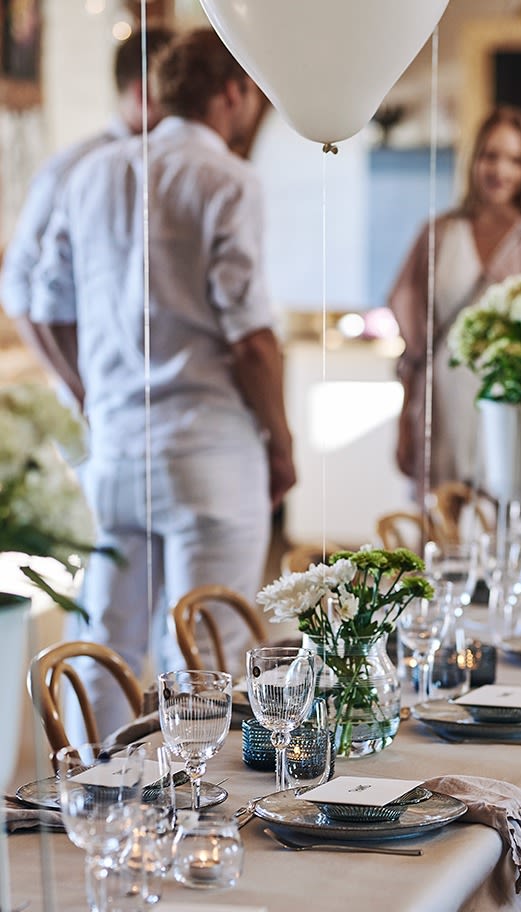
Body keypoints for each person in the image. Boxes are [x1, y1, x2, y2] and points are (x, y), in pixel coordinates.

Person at [31, 28, 295, 738]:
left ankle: (99, 805)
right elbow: (252, 341)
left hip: (116, 448)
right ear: (232, 94)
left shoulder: (93, 172)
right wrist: (282, 443)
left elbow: (44, 304)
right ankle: (203, 827)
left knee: (105, 647)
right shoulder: (228, 178)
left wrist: (90, 391)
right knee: (211, 652)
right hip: (210, 449)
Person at [388, 105, 521, 497]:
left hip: (516, 403)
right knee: (443, 524)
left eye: (515, 159)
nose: (500, 170)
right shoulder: (438, 233)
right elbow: (414, 343)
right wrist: (405, 419)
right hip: (443, 402)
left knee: (511, 514)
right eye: (491, 155)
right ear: (474, 159)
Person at [1, 25, 174, 399]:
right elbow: (18, 284)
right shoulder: (71, 170)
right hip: (99, 401)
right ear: (145, 93)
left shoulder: (182, 171)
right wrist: (80, 390)